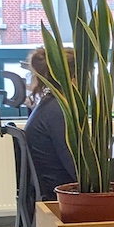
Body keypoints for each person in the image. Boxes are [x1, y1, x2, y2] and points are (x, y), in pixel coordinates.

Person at [23, 47, 77, 199]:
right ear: (73, 77)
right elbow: (76, 169)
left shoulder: (49, 105)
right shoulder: (58, 111)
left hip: (51, 188)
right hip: (61, 194)